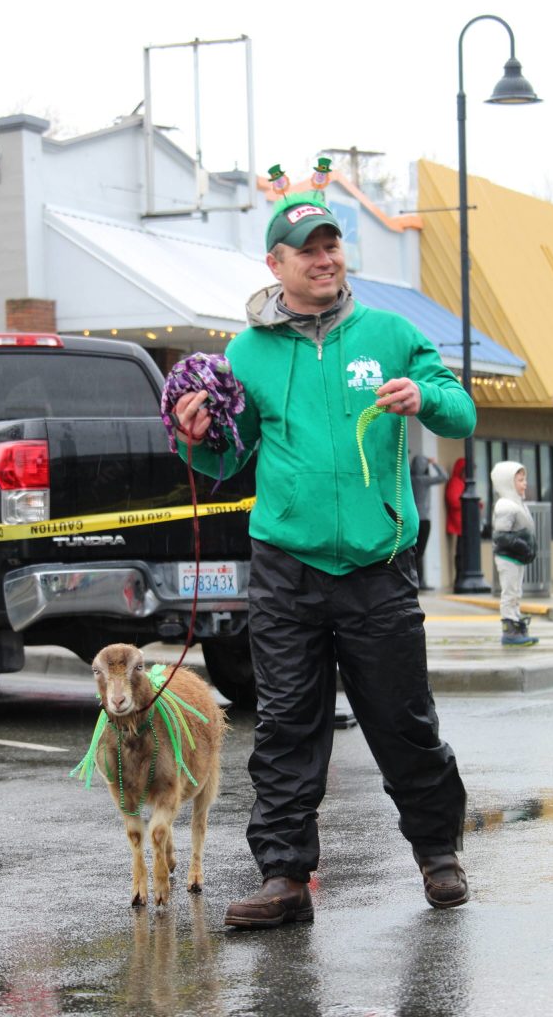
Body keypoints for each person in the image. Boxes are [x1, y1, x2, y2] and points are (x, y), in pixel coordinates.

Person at [172, 192, 475, 928]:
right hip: (285, 566)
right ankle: (283, 877)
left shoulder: (391, 332)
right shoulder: (246, 351)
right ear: (276, 264)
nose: (323, 258)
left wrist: (424, 399)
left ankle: (436, 853)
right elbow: (226, 453)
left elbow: (459, 410)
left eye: (331, 244)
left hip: (377, 565)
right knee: (285, 723)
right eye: (306, 248)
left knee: (401, 720)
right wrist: (193, 433)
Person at [490, 461, 538, 646]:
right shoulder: (505, 505)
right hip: (508, 558)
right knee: (510, 593)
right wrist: (522, 546)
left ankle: (516, 626)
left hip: (516, 558)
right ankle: (510, 631)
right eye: (520, 480)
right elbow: (501, 536)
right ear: (507, 482)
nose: (524, 483)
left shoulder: (516, 502)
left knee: (516, 592)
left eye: (524, 479)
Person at [410, 455, 447, 589]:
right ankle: (421, 582)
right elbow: (443, 476)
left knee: (413, 551)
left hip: (412, 519)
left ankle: (414, 581)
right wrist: (434, 463)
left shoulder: (409, 479)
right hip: (424, 520)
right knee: (420, 553)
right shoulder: (423, 480)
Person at [445, 457, 466, 588]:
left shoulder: (463, 483)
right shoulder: (455, 482)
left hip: (464, 523)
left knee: (464, 553)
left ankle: (462, 576)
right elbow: (453, 501)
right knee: (460, 553)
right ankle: (459, 578)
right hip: (459, 523)